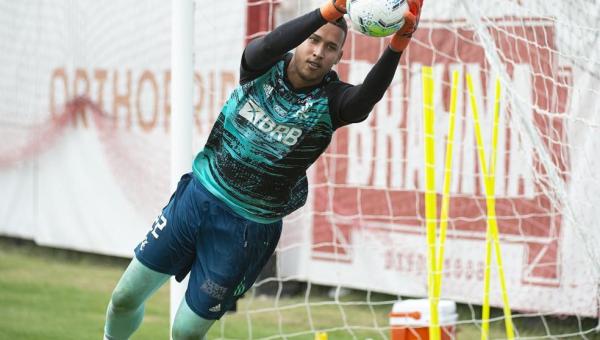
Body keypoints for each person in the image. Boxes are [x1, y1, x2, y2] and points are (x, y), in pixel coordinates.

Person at [103, 0, 423, 338]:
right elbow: (268, 45)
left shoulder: (332, 101)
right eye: (313, 40)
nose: (318, 52)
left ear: (338, 58)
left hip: (247, 230)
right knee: (124, 297)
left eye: (330, 47)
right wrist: (330, 9)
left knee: (184, 332)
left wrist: (398, 43)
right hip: (197, 200)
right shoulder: (261, 66)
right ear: (299, 40)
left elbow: (363, 102)